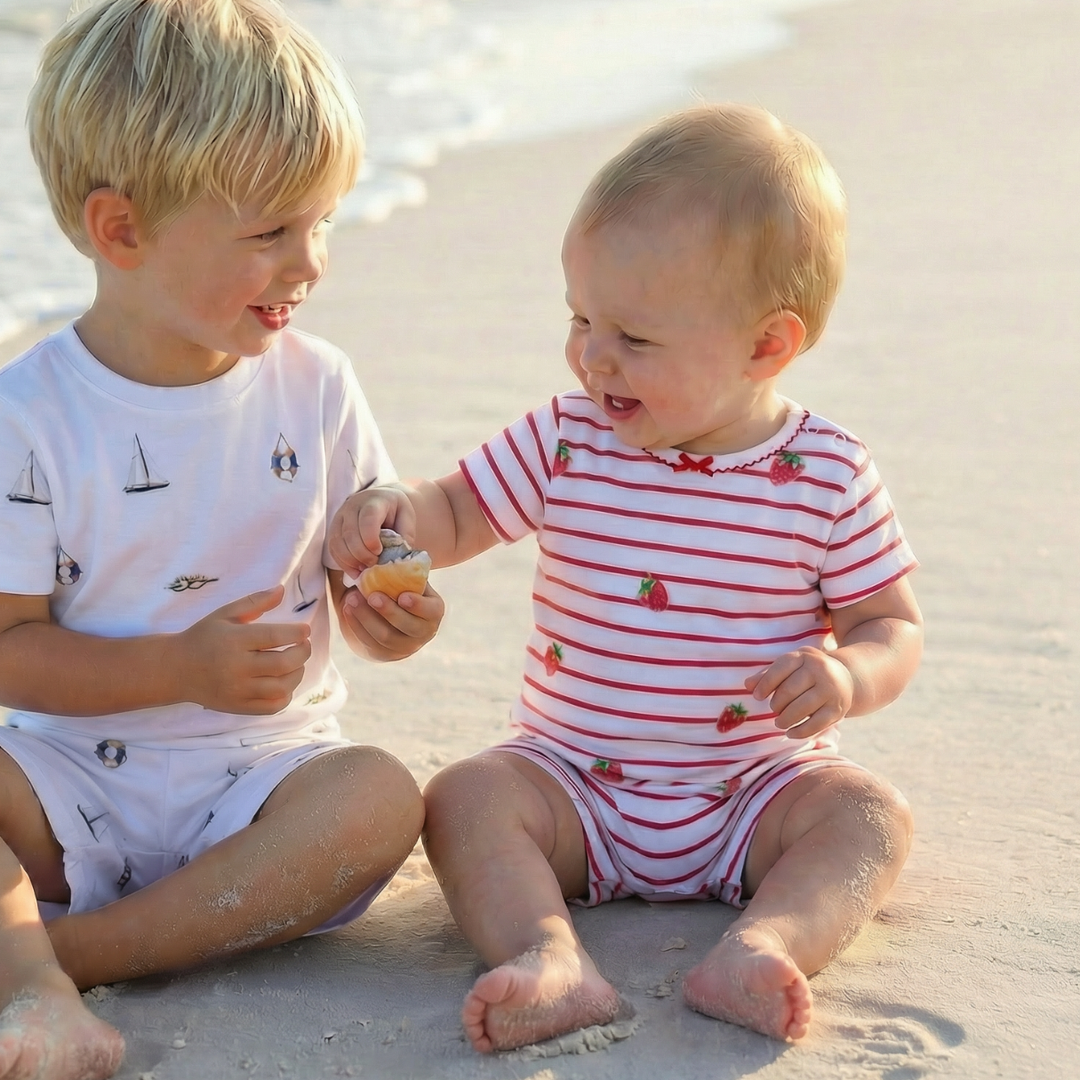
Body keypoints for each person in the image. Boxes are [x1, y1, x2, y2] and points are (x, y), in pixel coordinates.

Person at [331, 103, 923, 1052]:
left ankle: (764, 942)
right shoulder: (570, 438)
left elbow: (890, 623)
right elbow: (459, 511)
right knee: (467, 799)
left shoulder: (826, 474)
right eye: (580, 319)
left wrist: (851, 676)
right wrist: (399, 514)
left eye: (634, 340)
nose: (592, 356)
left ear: (768, 344)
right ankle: (546, 953)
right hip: (573, 784)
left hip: (754, 788)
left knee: (868, 819)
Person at [0, 2, 442, 1077]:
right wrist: (178, 668)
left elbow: (379, 598)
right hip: (60, 791)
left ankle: (55, 961)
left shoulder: (320, 387)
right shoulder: (28, 416)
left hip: (260, 784)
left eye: (324, 222)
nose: (312, 262)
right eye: (270, 233)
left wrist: (396, 608)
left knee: (381, 796)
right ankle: (41, 969)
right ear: (121, 231)